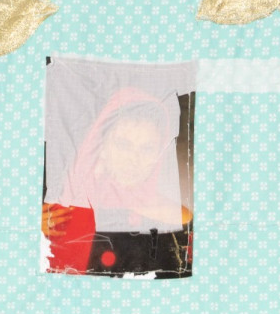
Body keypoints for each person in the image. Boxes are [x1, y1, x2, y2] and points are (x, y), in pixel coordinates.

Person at [43, 87, 193, 275]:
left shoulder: (176, 221)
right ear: (102, 147)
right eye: (123, 144)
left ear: (158, 156)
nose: (134, 159)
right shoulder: (61, 204)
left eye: (147, 148)